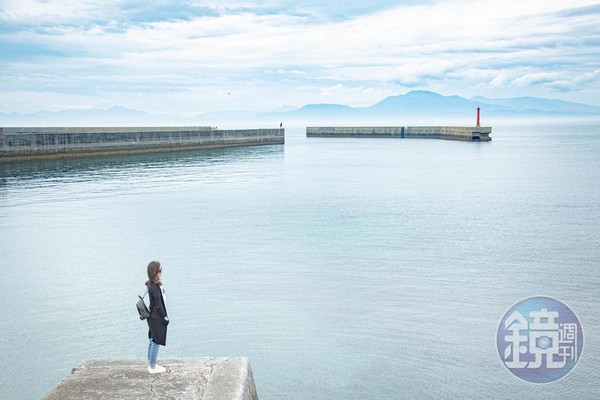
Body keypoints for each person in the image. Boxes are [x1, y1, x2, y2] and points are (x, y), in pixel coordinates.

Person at [145, 261, 169, 374]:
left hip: (151, 317)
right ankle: (153, 367)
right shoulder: (155, 288)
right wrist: (165, 317)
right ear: (155, 272)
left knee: (151, 340)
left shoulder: (150, 285)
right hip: (156, 317)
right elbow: (159, 306)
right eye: (160, 270)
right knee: (156, 341)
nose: (162, 272)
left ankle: (151, 364)